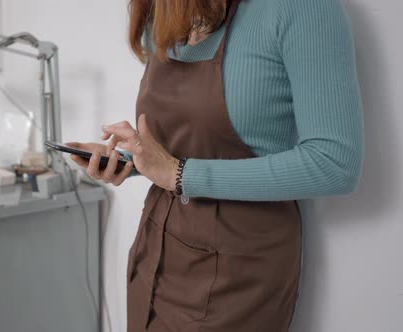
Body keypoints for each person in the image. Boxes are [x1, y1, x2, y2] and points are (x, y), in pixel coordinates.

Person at [69, 0, 364, 330]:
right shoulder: (168, 11)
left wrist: (180, 173)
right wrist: (133, 160)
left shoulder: (301, 8)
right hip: (155, 259)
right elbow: (178, 152)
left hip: (239, 277)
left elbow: (334, 164)